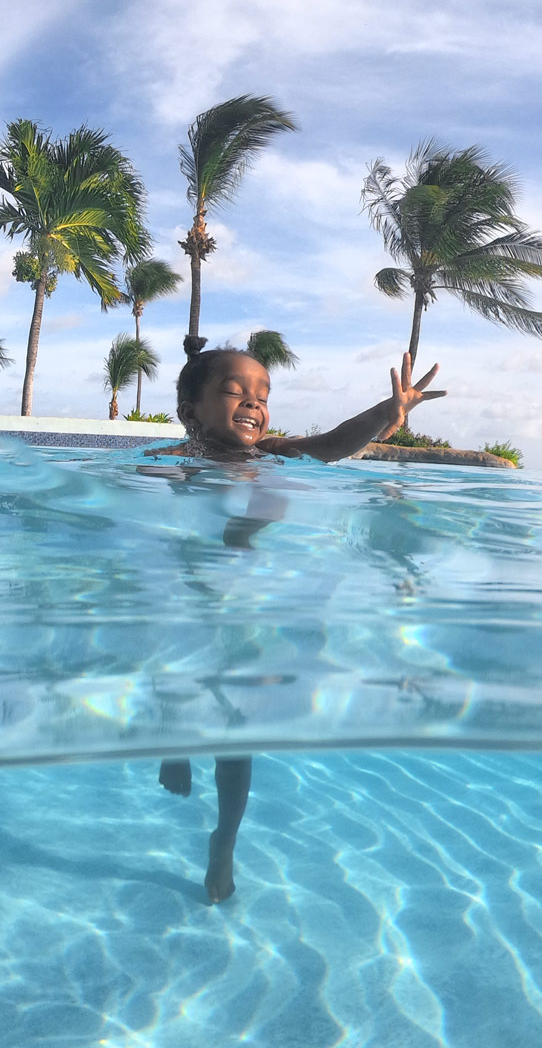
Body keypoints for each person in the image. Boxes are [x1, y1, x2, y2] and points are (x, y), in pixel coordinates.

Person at [151, 346, 445, 902]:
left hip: (243, 605)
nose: (253, 404)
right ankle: (174, 741)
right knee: (176, 677)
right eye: (236, 391)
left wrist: (388, 411)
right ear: (191, 409)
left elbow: (334, 445)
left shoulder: (275, 454)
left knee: (238, 732)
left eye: (262, 396)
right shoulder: (172, 460)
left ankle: (226, 840)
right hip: (185, 599)